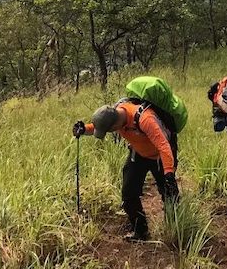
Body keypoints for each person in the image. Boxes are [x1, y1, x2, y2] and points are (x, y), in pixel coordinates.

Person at [73, 100, 179, 242]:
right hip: (138, 154)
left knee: (169, 194)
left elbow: (164, 146)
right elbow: (99, 126)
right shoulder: (115, 116)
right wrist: (84, 129)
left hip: (160, 157)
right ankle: (141, 232)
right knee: (128, 194)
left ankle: (175, 230)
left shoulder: (145, 119)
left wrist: (169, 174)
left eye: (110, 130)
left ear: (115, 125)